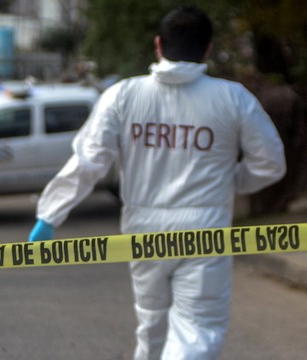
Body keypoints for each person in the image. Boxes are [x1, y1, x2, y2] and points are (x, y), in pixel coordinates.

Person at [28, 5, 286, 360]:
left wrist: (50, 214)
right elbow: (271, 163)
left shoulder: (123, 96)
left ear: (158, 45)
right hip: (205, 229)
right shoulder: (233, 99)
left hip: (142, 228)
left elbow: (89, 160)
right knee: (198, 329)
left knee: (150, 322)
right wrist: (235, 182)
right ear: (208, 48)